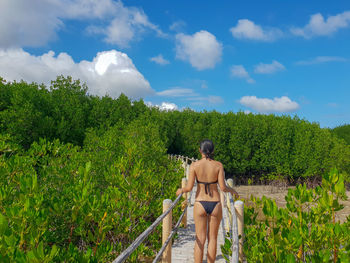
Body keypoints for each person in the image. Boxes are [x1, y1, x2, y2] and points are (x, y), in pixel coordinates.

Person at [176, 139, 239, 263]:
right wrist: (233, 191)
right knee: (213, 239)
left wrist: (181, 190)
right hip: (215, 203)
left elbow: (189, 188)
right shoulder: (218, 165)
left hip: (200, 203)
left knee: (200, 238)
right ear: (213, 151)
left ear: (200, 151)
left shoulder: (194, 166)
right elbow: (223, 187)